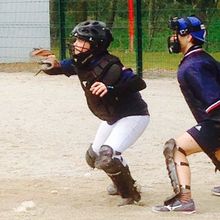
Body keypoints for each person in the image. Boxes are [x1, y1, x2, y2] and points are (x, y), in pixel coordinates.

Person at [38, 20, 150, 206]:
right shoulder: (82, 62)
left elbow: (139, 83)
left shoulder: (111, 64)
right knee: (94, 156)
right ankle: (121, 180)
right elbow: (58, 67)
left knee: (107, 156)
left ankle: (130, 193)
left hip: (133, 115)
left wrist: (110, 87)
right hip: (112, 117)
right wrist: (49, 63)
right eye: (76, 40)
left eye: (82, 41)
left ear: (95, 45)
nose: (75, 44)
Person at [152, 15, 220, 214]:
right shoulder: (201, 59)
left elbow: (215, 101)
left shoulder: (193, 66)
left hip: (215, 121)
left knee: (175, 148)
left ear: (189, 37)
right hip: (213, 121)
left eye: (176, 34)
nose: (173, 38)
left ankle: (184, 200)